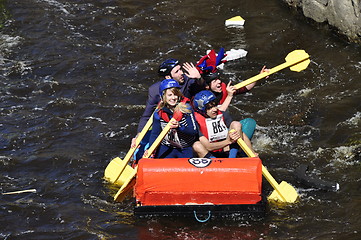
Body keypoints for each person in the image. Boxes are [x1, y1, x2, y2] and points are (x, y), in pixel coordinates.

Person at [132, 59, 203, 146]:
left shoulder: (188, 80)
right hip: (166, 122)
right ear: (168, 77)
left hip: (186, 120)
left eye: (180, 69)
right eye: (177, 71)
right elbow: (147, 115)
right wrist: (139, 134)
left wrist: (199, 78)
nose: (182, 73)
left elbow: (202, 91)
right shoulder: (155, 90)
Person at [192, 90, 257, 158]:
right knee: (196, 145)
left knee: (236, 124)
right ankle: (217, 164)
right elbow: (208, 147)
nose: (215, 109)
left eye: (215, 105)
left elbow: (241, 133)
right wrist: (228, 141)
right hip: (210, 154)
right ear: (202, 110)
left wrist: (252, 152)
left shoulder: (222, 114)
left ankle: (232, 158)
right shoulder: (196, 122)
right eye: (209, 108)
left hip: (224, 149)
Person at [143, 79, 199, 158]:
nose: (173, 98)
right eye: (169, 95)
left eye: (175, 95)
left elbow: (193, 131)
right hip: (167, 146)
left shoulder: (187, 109)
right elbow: (155, 134)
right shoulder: (158, 113)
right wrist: (150, 149)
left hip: (185, 147)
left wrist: (179, 127)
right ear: (163, 96)